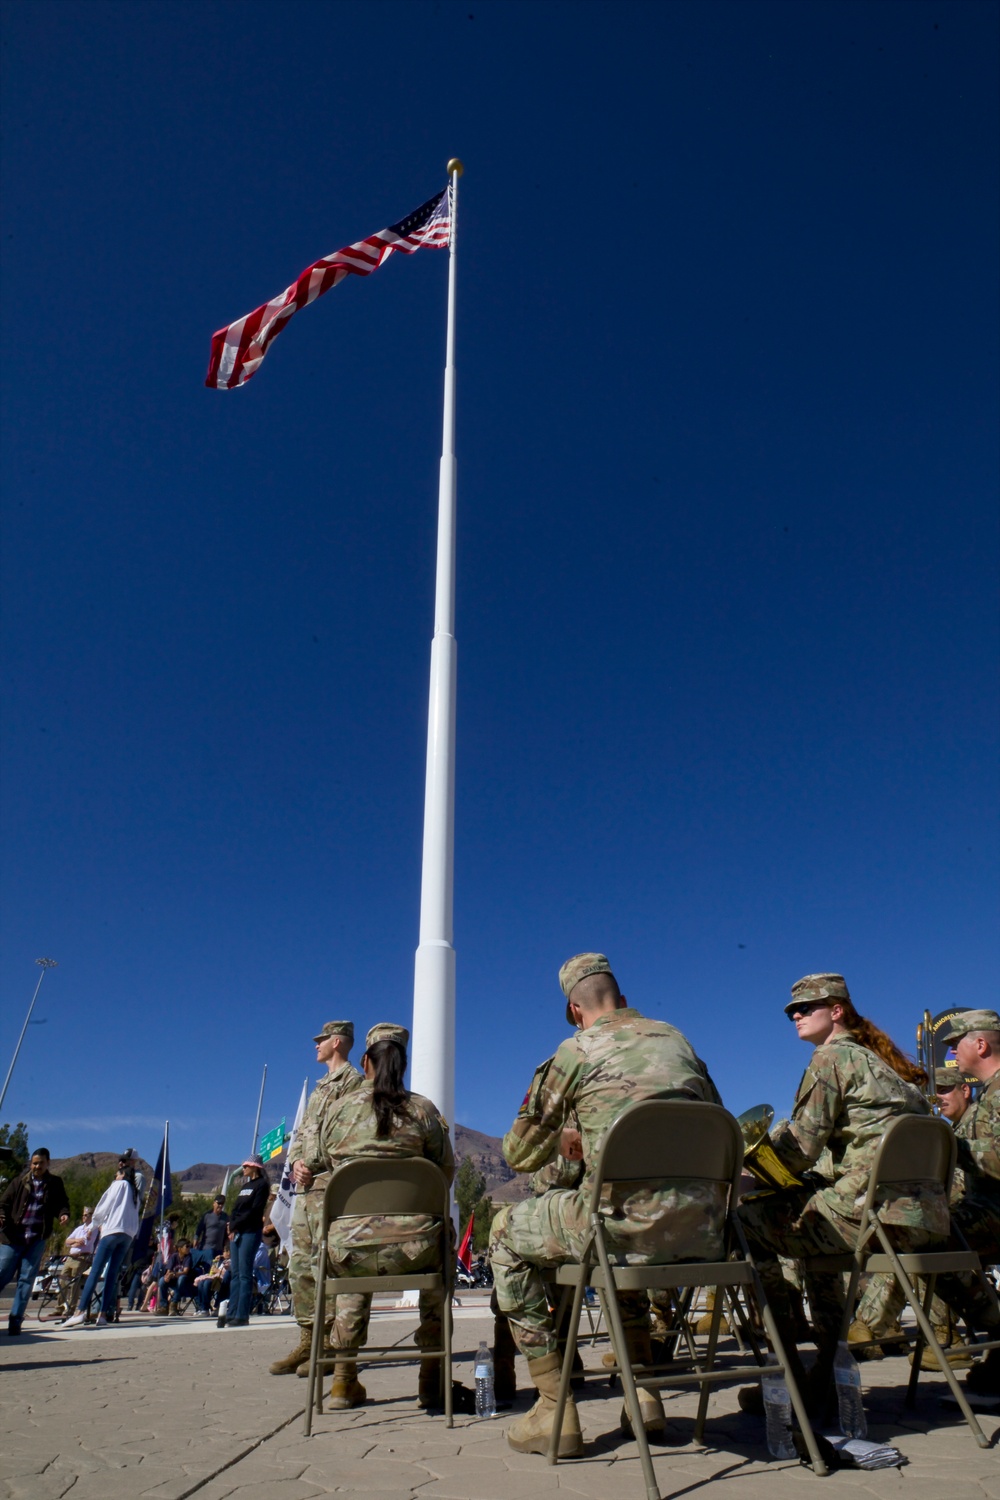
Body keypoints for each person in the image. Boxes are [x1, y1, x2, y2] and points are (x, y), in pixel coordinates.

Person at [490, 952, 725, 1457]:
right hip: (703, 1231)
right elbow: (717, 1122)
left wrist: (563, 1139)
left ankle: (554, 1406)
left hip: (619, 1227)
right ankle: (644, 1395)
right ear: (622, 1000)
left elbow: (518, 1152)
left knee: (505, 1234)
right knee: (620, 1237)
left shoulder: (575, 1051)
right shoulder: (679, 1041)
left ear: (575, 1011)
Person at [737, 974, 948, 1413]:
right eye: (792, 1010)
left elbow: (800, 1149)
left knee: (745, 1222)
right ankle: (828, 1372)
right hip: (924, 1220)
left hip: (873, 1216)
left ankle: (789, 1375)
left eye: (805, 1008)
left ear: (836, 1011)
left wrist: (746, 1169)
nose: (795, 1015)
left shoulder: (831, 1058)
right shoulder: (887, 1068)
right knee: (812, 1230)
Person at [305, 1022, 454, 1411]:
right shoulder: (423, 1111)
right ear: (402, 1064)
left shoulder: (338, 1111)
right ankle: (431, 1379)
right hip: (416, 1248)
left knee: (354, 1238)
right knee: (440, 1233)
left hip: (349, 1250)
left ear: (366, 1061)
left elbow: (316, 1161)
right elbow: (445, 1173)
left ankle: (343, 1380)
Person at [269, 1019, 363, 1377]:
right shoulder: (320, 1087)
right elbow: (302, 1134)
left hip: (330, 1186)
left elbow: (347, 1135)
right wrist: (295, 1162)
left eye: (320, 1040)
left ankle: (328, 1344)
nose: (316, 1046)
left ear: (337, 1042)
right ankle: (307, 1338)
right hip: (304, 1189)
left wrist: (317, 1165)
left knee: (326, 1264)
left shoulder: (352, 1083)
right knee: (300, 1265)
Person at [64, 1156, 141, 1329]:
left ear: (122, 1174)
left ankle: (80, 1311)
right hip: (128, 1235)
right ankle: (103, 1314)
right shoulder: (135, 1193)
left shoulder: (118, 1185)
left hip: (112, 1231)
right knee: (112, 1274)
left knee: (96, 1271)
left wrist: (94, 1225)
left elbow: (103, 1206)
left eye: (116, 1174)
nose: (115, 1176)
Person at [0, 1147, 70, 1335]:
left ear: (48, 1163)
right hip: (13, 1237)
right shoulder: (19, 1182)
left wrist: (63, 1214)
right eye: (34, 1163)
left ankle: (15, 1321)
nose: (36, 1166)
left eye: (40, 1163)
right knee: (2, 1273)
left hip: (37, 1239)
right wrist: (1, 1215)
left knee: (26, 1280)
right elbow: (3, 1203)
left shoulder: (55, 1183)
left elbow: (62, 1203)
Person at [224, 1155, 269, 1327]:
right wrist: (231, 1225)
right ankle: (231, 1312)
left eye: (246, 1166)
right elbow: (236, 1208)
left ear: (255, 1167)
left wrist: (236, 1224)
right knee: (234, 1273)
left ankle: (242, 1315)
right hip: (236, 1233)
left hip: (250, 1232)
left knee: (244, 1273)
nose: (243, 1169)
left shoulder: (261, 1186)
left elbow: (254, 1211)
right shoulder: (245, 1185)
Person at [56, 1205, 98, 1318]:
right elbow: (67, 1241)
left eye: (86, 1215)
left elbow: (84, 1243)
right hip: (71, 1257)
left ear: (91, 1216)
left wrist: (75, 1242)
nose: (84, 1217)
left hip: (81, 1258)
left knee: (74, 1283)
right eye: (83, 1215)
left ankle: (70, 1308)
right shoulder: (79, 1228)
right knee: (62, 1281)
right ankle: (59, 1307)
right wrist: (75, 1241)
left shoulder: (93, 1229)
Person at [157, 1237, 194, 1315]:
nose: (188, 1248)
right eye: (186, 1246)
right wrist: (167, 1276)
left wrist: (174, 1274)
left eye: (189, 1246)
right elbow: (168, 1270)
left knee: (181, 1278)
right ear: (180, 1248)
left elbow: (185, 1272)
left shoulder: (188, 1257)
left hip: (184, 1283)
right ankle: (164, 1306)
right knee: (161, 1281)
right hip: (173, 1280)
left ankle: (173, 1304)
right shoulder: (174, 1256)